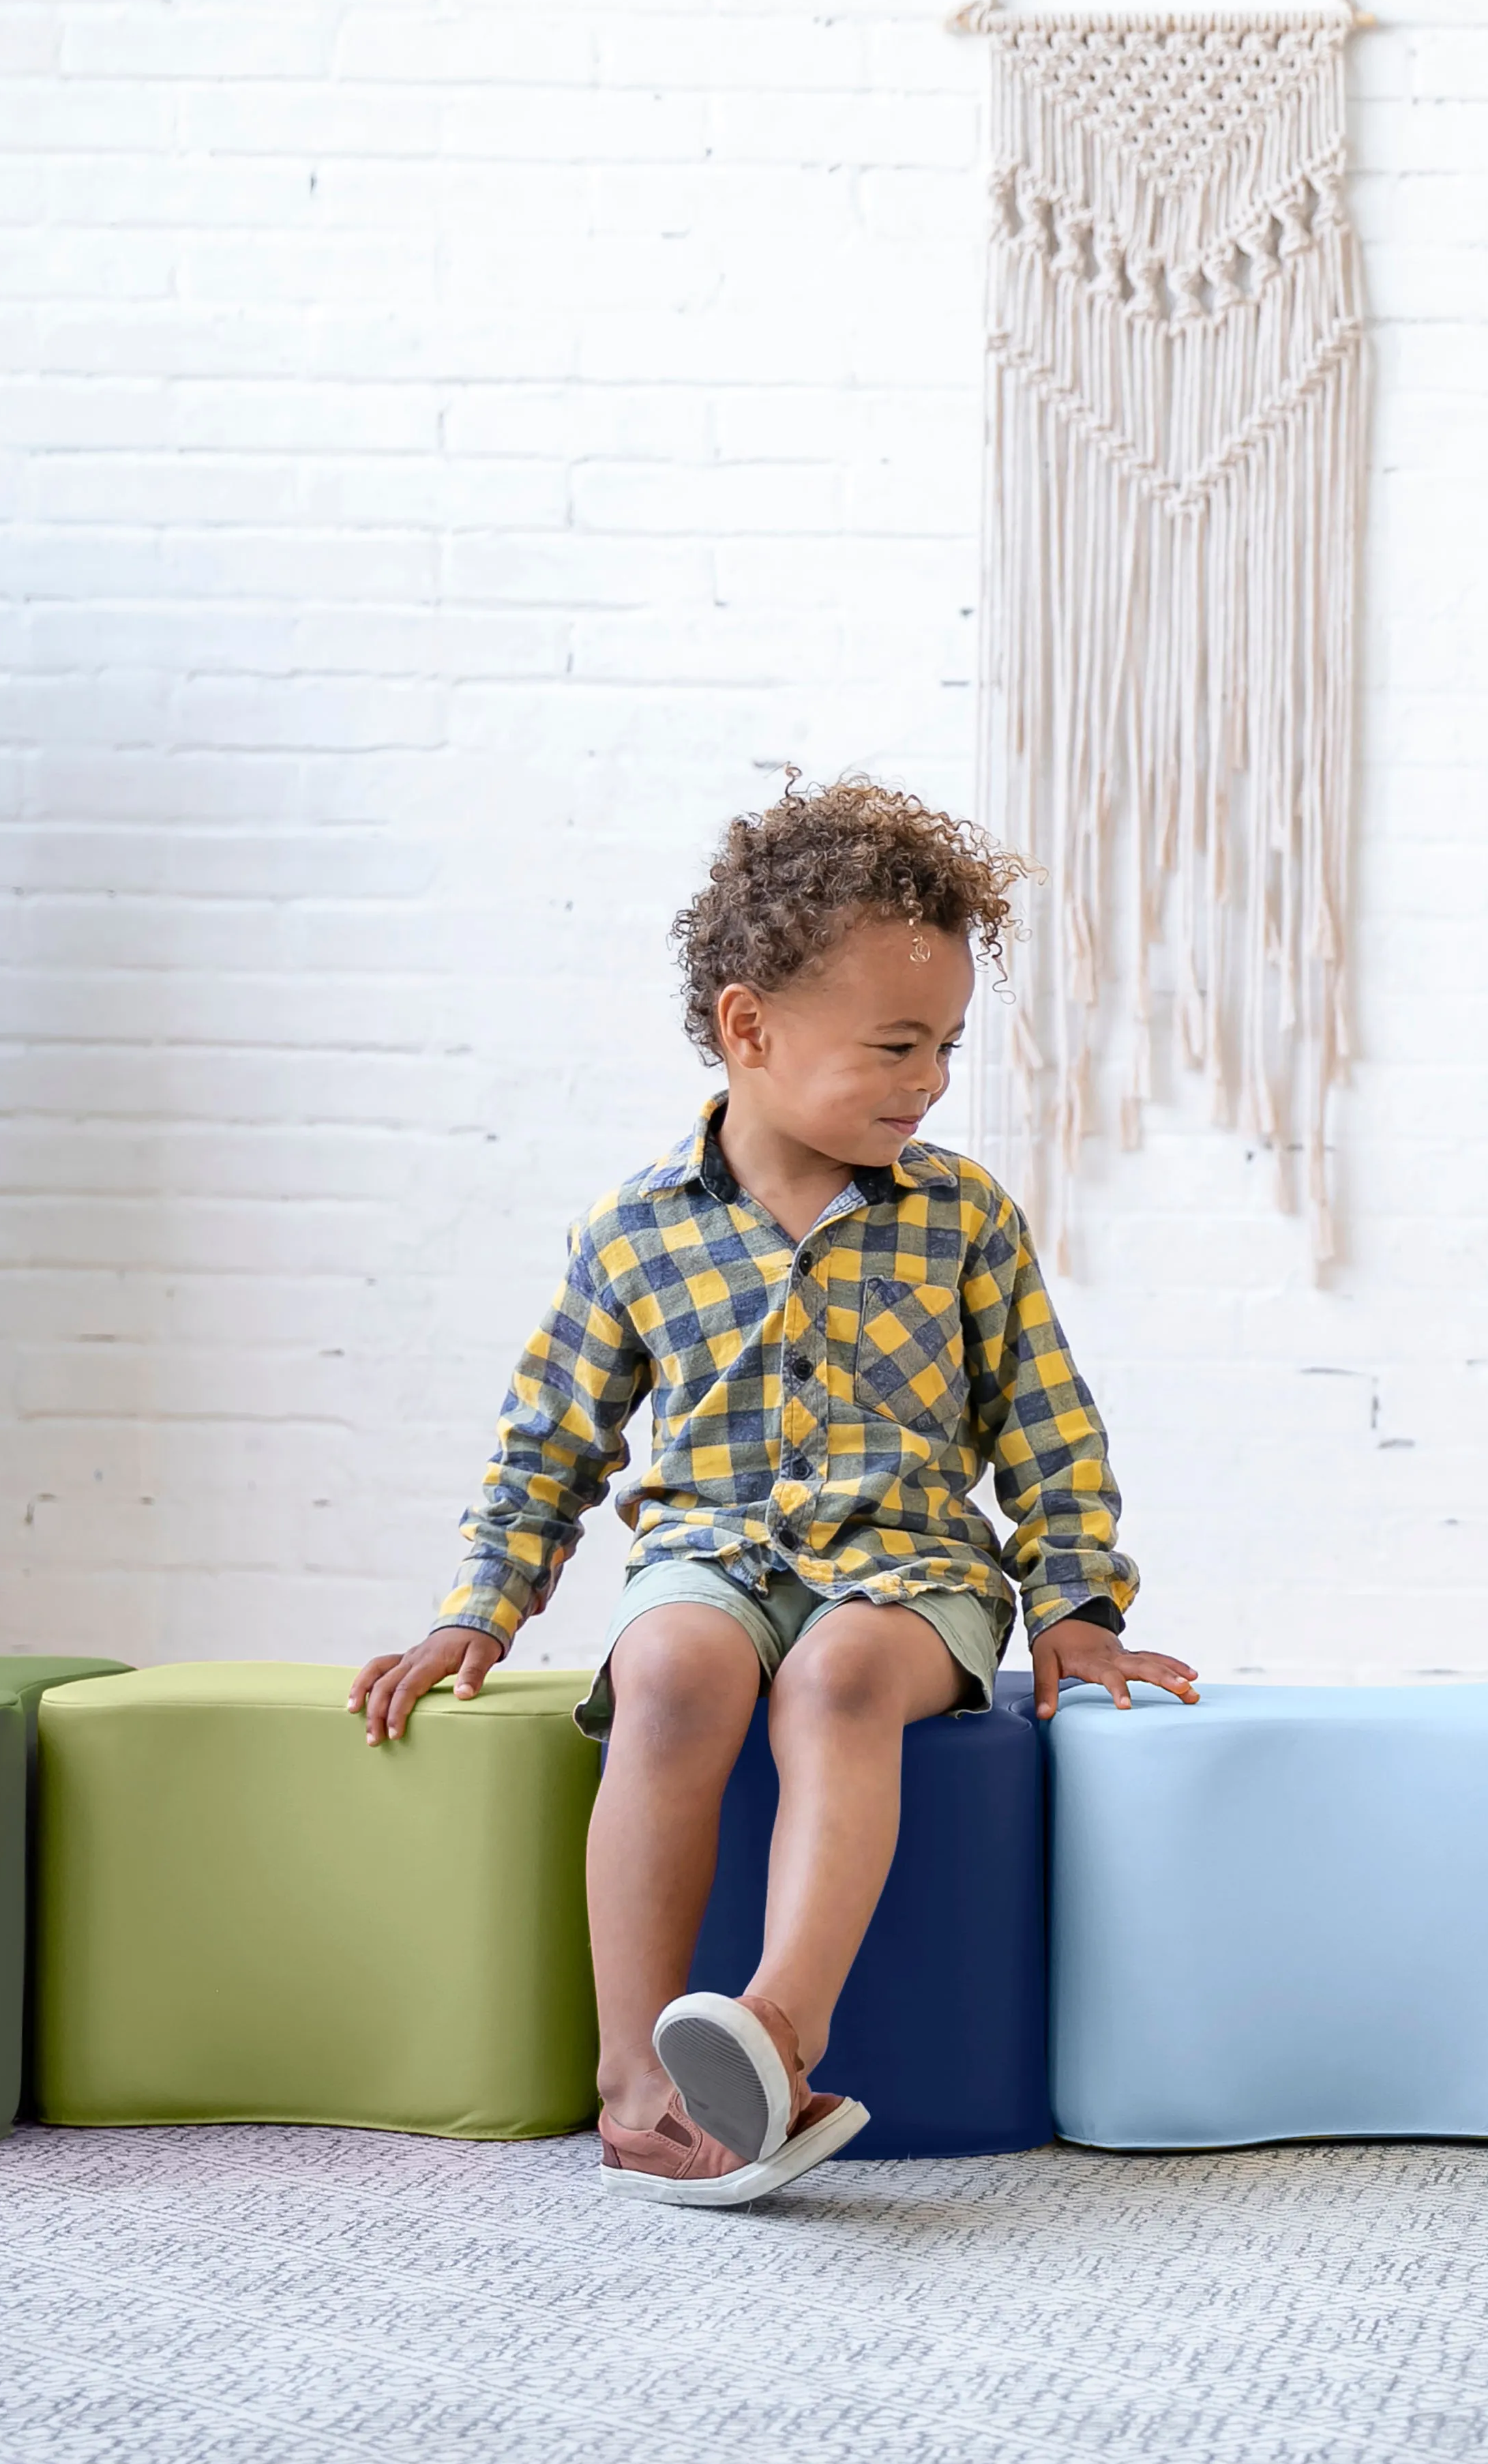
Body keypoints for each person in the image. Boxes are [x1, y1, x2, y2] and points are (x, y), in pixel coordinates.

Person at [348, 776, 1197, 2206]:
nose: (926, 1078)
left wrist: (1073, 1604)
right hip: (714, 1556)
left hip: (908, 1572)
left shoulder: (960, 1216)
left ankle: (774, 2028)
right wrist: (476, 1613)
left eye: (943, 1045)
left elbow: (1048, 1430)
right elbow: (549, 1440)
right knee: (673, 1667)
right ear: (750, 1027)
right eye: (892, 1045)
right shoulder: (635, 1230)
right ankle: (635, 2081)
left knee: (839, 1677)